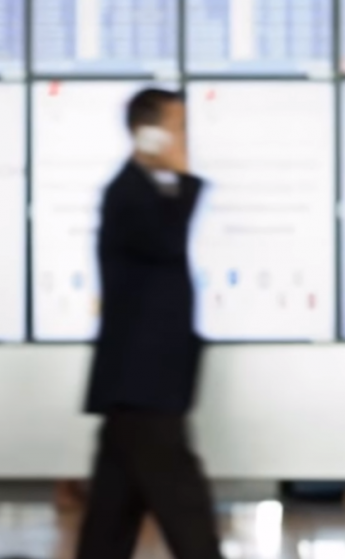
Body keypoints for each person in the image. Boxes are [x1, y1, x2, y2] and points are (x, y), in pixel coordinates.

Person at [76, 88, 223, 559]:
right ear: (149, 132)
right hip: (142, 387)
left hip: (139, 388)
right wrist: (180, 172)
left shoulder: (145, 191)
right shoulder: (129, 194)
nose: (185, 139)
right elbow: (167, 241)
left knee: (110, 518)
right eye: (178, 127)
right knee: (186, 509)